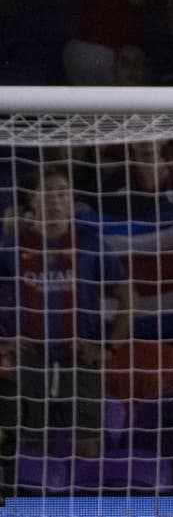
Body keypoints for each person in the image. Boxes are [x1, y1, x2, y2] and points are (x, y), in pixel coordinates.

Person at [0, 166, 133, 459]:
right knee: (30, 443)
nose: (56, 200)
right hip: (29, 357)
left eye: (63, 192)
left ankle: (88, 504)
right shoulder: (12, 247)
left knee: (87, 445)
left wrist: (110, 347)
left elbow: (129, 296)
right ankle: (24, 504)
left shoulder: (89, 244)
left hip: (79, 355)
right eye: (48, 192)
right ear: (33, 199)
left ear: (72, 200)